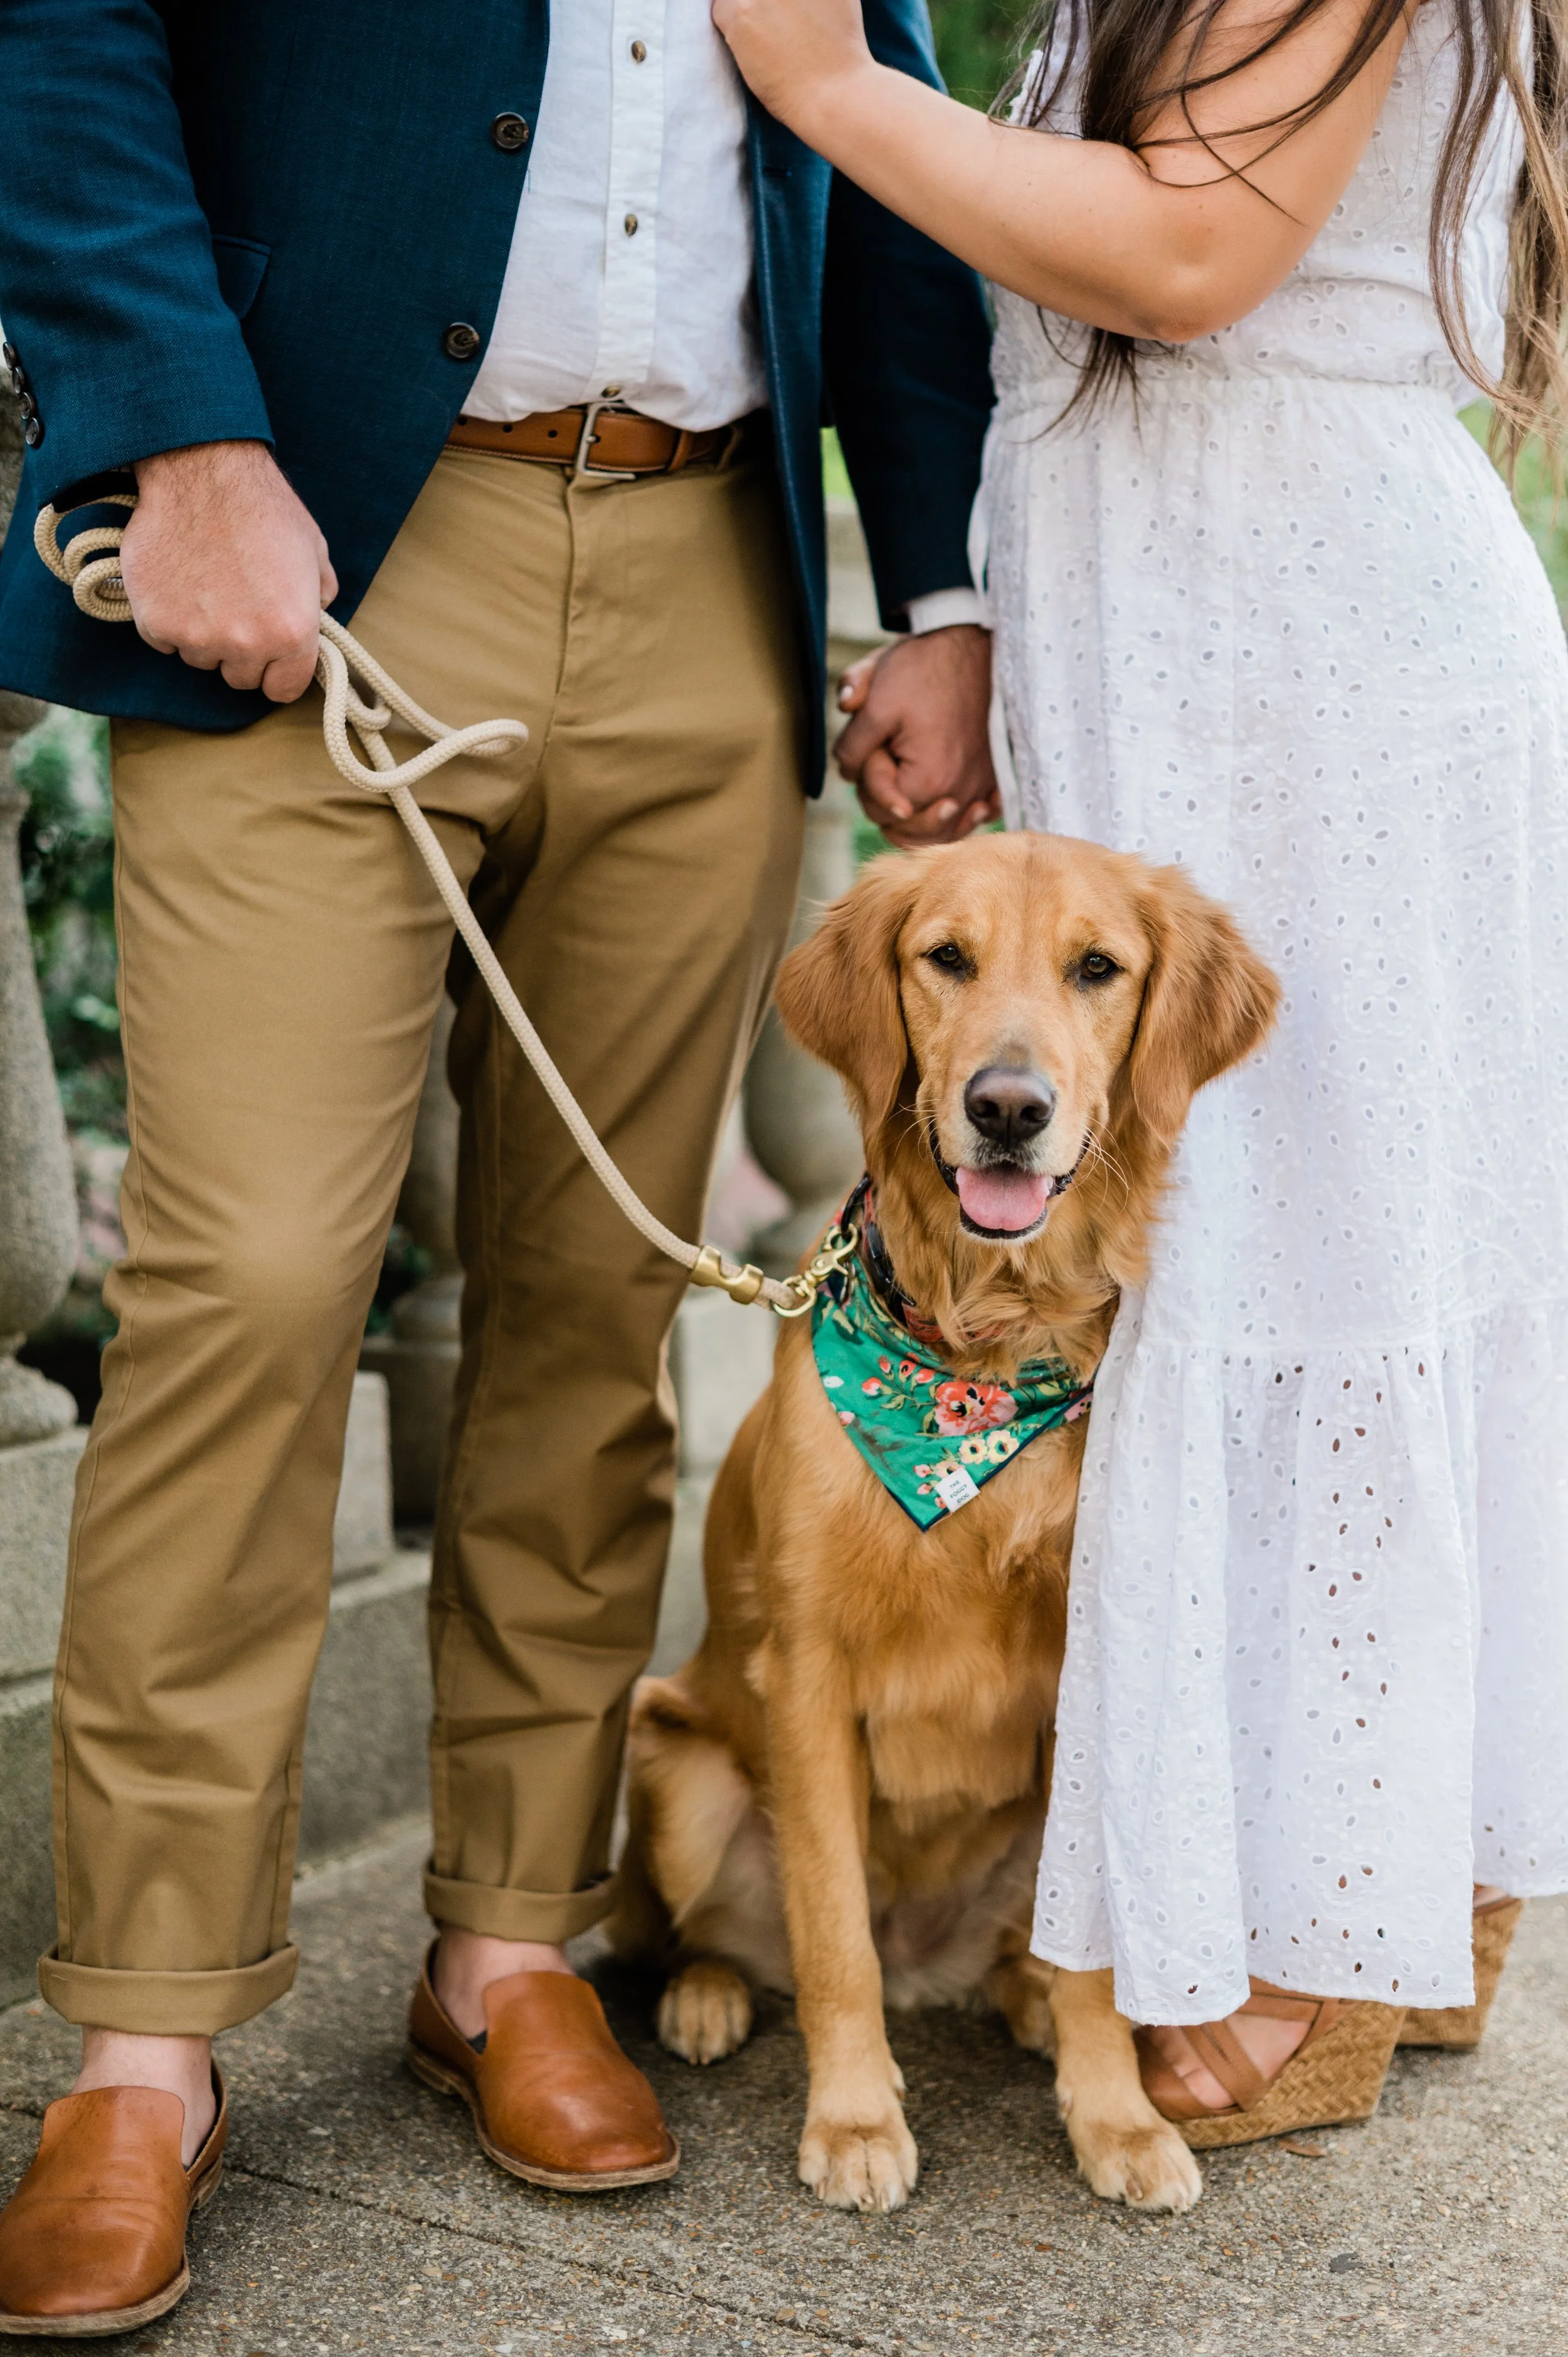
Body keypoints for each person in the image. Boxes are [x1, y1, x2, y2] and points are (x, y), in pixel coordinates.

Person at [0, 0, 998, 2330]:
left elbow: (892, 114)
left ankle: (504, 1948)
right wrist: (179, 424)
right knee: (245, 1283)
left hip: (708, 572)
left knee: (591, 1307)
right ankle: (141, 2042)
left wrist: (935, 586)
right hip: (323, 539)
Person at [714, 0, 1568, 2150]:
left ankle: (1312, 1929)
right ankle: (1394, 1873)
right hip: (1189, 621)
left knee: (1294, 1263)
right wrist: (974, 604)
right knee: (1270, 1256)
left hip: (1307, 660)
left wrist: (828, 88)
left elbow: (1187, 254)